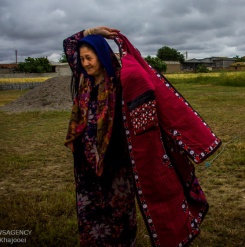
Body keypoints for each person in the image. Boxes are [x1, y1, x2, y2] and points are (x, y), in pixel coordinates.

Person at [63, 26, 222, 247]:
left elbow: (143, 80)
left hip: (115, 160)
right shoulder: (83, 79)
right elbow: (70, 43)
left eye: (89, 58)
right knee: (89, 208)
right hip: (85, 162)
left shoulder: (118, 81)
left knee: (118, 211)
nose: (85, 63)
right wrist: (93, 31)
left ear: (101, 56)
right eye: (82, 59)